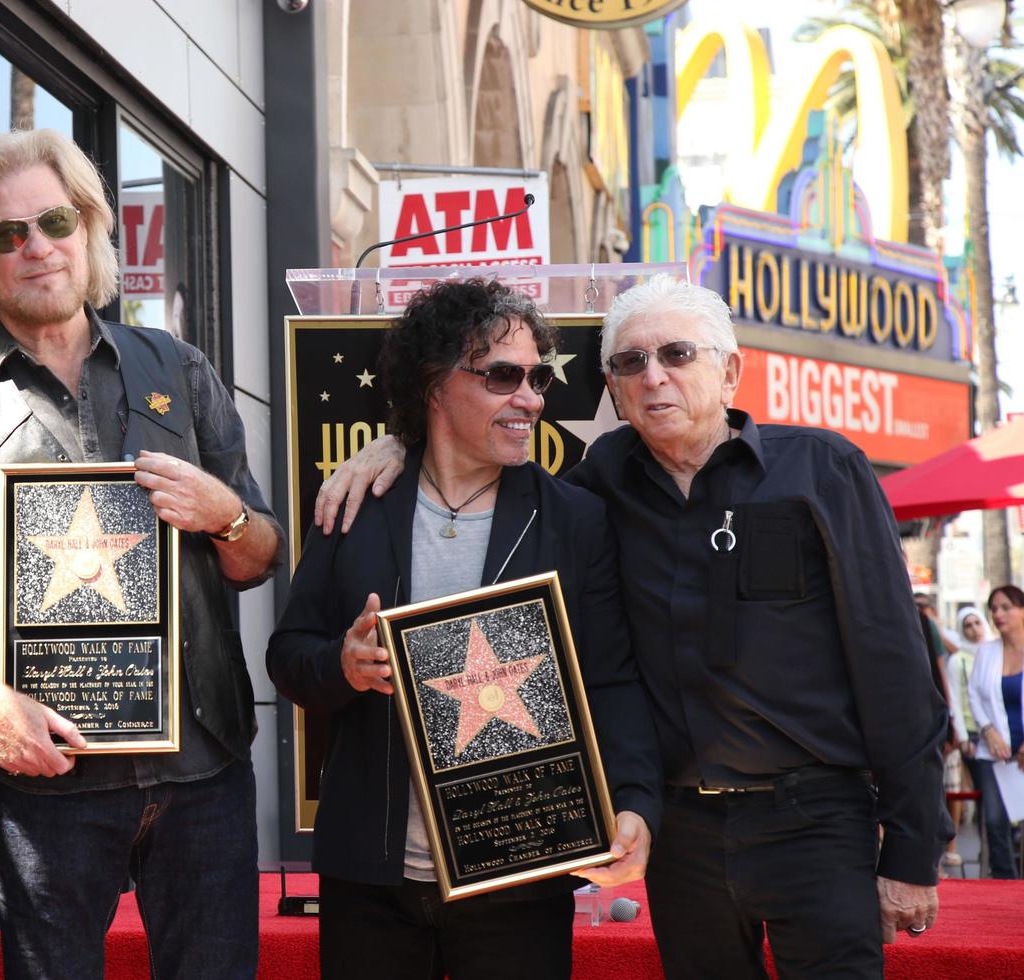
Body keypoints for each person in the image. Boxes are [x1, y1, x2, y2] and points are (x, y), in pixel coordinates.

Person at [315, 274, 949, 978]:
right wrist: (396, 448)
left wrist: (914, 850)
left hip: (816, 820)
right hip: (682, 838)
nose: (653, 378)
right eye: (629, 363)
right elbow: (463, 451)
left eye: (678, 355)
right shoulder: (596, 488)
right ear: (613, 388)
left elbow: (894, 666)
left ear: (730, 370)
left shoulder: (822, 470)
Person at [0, 128, 284, 978]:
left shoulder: (178, 367)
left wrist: (227, 516)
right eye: (6, 233)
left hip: (203, 769)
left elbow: (261, 556)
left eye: (54, 221)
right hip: (44, 784)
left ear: (89, 228)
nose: (37, 247)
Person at [267, 279, 662, 980]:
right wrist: (343, 665)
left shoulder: (574, 519)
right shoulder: (357, 503)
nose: (532, 399)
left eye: (538, 378)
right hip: (371, 878)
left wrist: (632, 801)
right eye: (503, 376)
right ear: (434, 385)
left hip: (520, 871)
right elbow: (288, 658)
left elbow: (611, 680)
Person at [968, 585, 1024, 879]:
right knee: (995, 822)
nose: (998, 614)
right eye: (994, 608)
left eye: (1006, 607)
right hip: (994, 753)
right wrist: (988, 732)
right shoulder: (987, 652)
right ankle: (1004, 884)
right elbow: (974, 694)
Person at [943, 605, 987, 871]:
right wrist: (960, 734)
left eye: (976, 623)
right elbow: (955, 700)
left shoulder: (996, 653)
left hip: (997, 735)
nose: (973, 629)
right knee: (959, 793)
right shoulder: (957, 659)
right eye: (967, 625)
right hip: (969, 734)